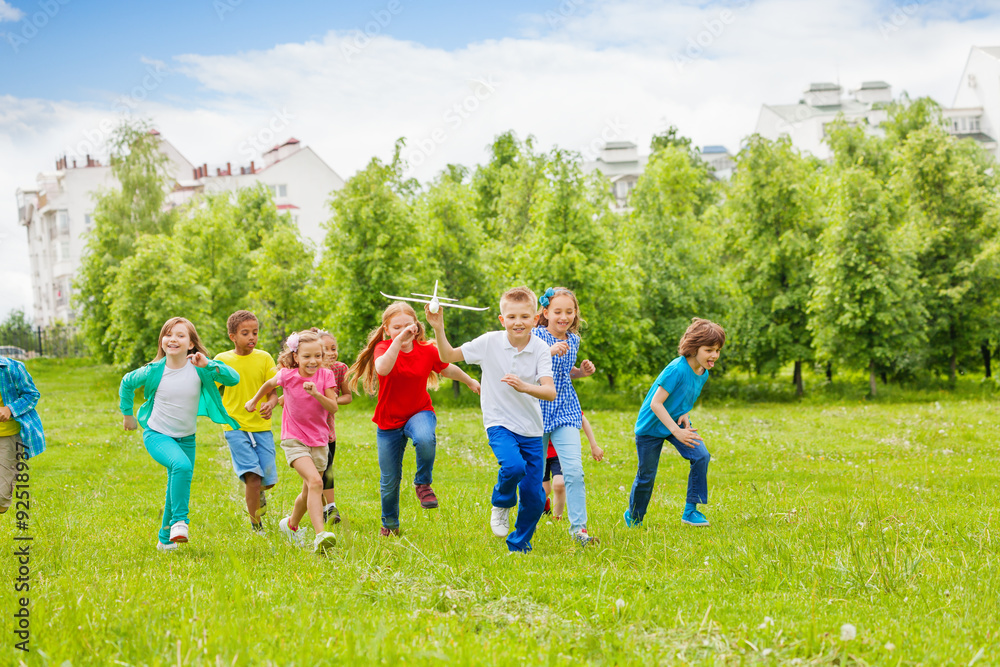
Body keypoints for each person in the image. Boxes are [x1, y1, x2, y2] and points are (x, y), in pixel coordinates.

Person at [427, 286, 555, 553]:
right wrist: (438, 327)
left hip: (531, 429)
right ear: (502, 319)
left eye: (524, 317)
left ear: (535, 319)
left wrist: (524, 387)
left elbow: (550, 391)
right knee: (513, 467)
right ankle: (502, 502)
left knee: (534, 496)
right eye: (511, 317)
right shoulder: (489, 342)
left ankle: (519, 546)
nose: (517, 322)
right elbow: (447, 356)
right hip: (499, 422)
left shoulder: (541, 348)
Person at [348, 302, 480, 537]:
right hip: (389, 421)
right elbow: (383, 368)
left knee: (425, 438)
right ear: (387, 329)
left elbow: (446, 369)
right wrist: (397, 342)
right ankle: (390, 525)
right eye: (396, 327)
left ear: (417, 327)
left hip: (419, 411)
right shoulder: (384, 347)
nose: (402, 330)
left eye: (407, 325)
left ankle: (423, 483)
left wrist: (470, 381)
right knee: (389, 482)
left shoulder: (427, 350)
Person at [118, 317, 240, 551]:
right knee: (181, 468)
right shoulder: (155, 370)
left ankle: (165, 542)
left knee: (175, 483)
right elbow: (126, 382)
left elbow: (233, 379)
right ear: (162, 341)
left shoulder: (199, 367)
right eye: (168, 334)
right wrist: (127, 415)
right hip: (157, 434)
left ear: (191, 343)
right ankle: (179, 522)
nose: (173, 339)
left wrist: (210, 365)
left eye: (180, 335)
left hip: (187, 438)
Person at [624, 318, 725, 528]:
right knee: (646, 476)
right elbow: (656, 403)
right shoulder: (676, 369)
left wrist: (685, 413)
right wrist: (676, 432)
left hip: (674, 421)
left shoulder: (703, 372)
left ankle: (691, 510)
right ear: (694, 348)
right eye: (709, 350)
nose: (714, 355)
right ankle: (634, 517)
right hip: (651, 427)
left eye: (717, 350)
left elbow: (686, 395)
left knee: (701, 456)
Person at [245, 330, 339, 553]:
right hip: (294, 439)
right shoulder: (287, 375)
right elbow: (269, 385)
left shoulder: (326, 376)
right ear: (296, 356)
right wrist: (255, 400)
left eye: (317, 355)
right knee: (316, 482)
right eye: (307, 356)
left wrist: (316, 394)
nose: (313, 361)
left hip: (319, 440)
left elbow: (333, 407)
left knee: (308, 490)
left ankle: (290, 525)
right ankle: (320, 535)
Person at [531, 287, 601, 545]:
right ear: (546, 312)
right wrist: (547, 352)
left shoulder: (574, 341)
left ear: (575, 314)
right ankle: (527, 524)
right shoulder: (534, 336)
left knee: (574, 471)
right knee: (533, 473)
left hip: (566, 409)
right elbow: (525, 366)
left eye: (569, 312)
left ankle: (579, 531)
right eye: (558, 311)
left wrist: (581, 372)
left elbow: (563, 372)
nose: (564, 316)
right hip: (537, 410)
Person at [215, 310, 279, 531]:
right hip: (234, 425)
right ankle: (257, 526)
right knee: (252, 477)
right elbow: (210, 389)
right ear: (232, 336)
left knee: (267, 480)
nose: (251, 337)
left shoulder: (264, 358)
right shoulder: (222, 360)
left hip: (261, 426)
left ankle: (259, 492)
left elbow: (273, 390)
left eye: (255, 332)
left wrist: (271, 403)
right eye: (245, 333)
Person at [0, 355, 45, 516]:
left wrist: (10, 409)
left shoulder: (11, 368)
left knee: (1, 499)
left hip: (7, 437)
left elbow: (31, 394)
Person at [315, 328, 352, 526]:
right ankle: (325, 507)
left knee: (327, 467)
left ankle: (329, 508)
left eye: (334, 348)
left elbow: (348, 396)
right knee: (317, 471)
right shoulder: (310, 369)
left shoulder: (339, 369)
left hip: (328, 428)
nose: (331, 353)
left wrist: (334, 398)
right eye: (326, 349)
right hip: (310, 425)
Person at [544, 412, 603, 519]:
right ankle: (545, 504)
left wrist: (594, 445)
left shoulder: (564, 402)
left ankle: (557, 518)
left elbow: (583, 420)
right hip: (540, 450)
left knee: (559, 484)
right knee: (544, 490)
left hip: (559, 451)